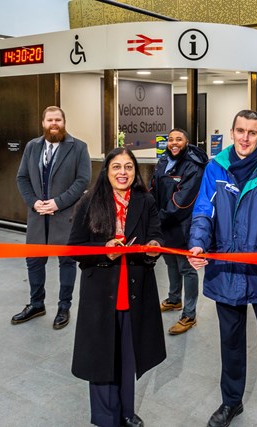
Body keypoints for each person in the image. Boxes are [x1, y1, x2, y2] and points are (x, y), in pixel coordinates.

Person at [188, 110, 257, 427]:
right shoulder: (216, 168)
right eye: (240, 131)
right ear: (231, 132)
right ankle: (231, 402)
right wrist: (197, 244)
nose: (245, 138)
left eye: (252, 132)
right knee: (231, 342)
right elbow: (202, 213)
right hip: (226, 269)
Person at [68, 148, 165, 427]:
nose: (123, 173)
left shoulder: (145, 201)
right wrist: (103, 250)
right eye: (116, 167)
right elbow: (74, 248)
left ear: (135, 172)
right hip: (101, 293)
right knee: (102, 357)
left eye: (129, 167)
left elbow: (155, 233)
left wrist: (154, 248)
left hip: (135, 291)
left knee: (127, 356)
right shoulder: (90, 202)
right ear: (106, 172)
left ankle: (126, 411)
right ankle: (106, 418)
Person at [13, 106, 91, 329]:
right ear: (43, 123)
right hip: (37, 215)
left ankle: (63, 307)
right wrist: (34, 202)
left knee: (66, 262)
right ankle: (37, 304)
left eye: (58, 119)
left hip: (65, 216)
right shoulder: (32, 147)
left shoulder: (78, 148)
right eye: (50, 120)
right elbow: (22, 178)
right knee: (34, 262)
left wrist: (58, 202)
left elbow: (82, 181)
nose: (53, 124)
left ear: (64, 122)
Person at [150, 128, 208, 335]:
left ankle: (189, 314)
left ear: (187, 142)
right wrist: (151, 213)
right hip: (164, 224)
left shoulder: (193, 165)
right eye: (171, 139)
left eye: (179, 139)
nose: (174, 143)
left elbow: (183, 201)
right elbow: (153, 188)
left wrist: (159, 217)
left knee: (186, 269)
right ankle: (174, 299)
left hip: (183, 225)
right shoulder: (164, 161)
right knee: (170, 263)